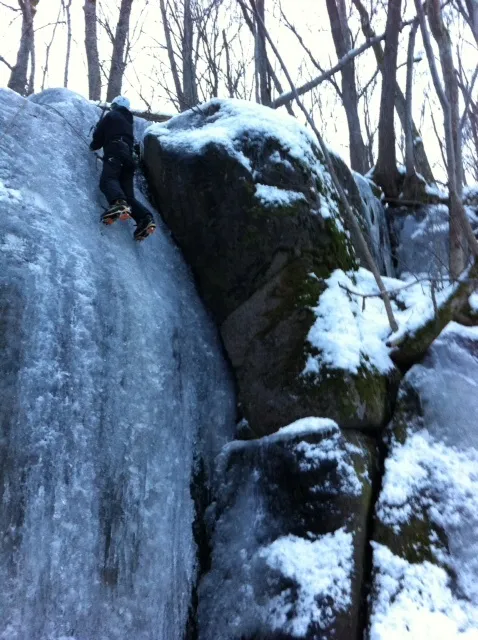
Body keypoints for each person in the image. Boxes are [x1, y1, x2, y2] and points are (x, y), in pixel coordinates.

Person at [90, 95, 156, 241]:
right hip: (129, 158)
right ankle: (145, 218)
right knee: (128, 196)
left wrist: (93, 145)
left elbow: (98, 136)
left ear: (115, 106)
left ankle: (118, 203)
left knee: (107, 180)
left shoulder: (112, 115)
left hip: (115, 150)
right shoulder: (128, 122)